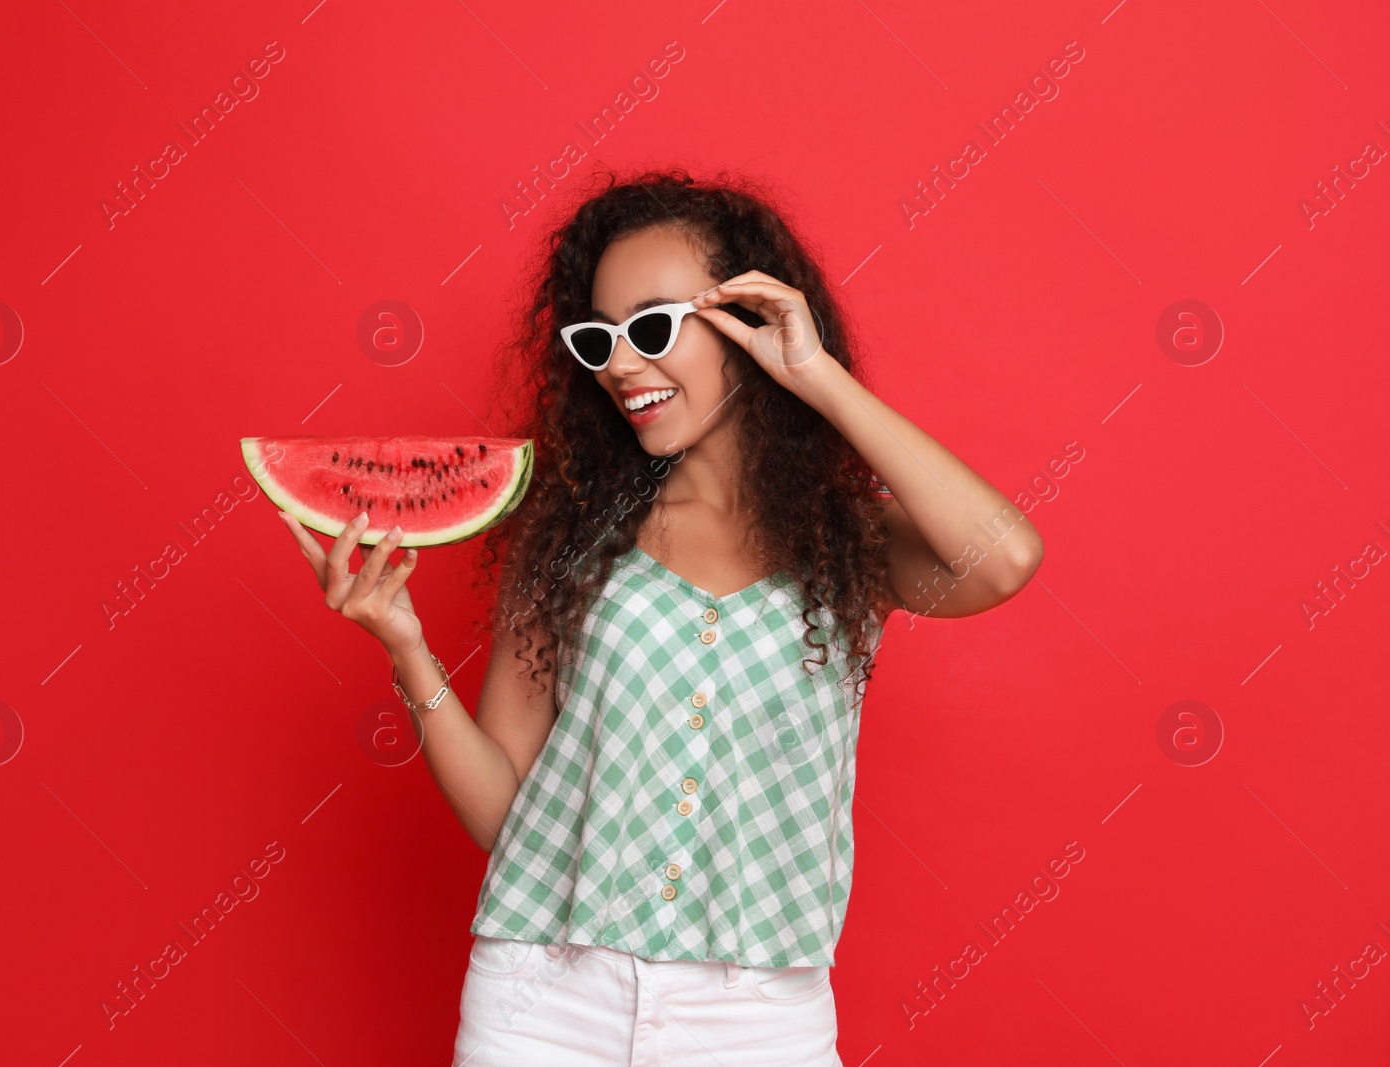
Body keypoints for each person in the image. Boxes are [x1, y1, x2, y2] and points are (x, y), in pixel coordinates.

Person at [275, 168, 1045, 1066]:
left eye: (650, 329)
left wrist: (817, 378)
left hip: (760, 1012)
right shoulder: (571, 535)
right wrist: (406, 649)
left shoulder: (848, 541)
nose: (619, 364)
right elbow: (507, 816)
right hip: (544, 998)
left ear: (751, 326)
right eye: (598, 337)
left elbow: (1007, 556)